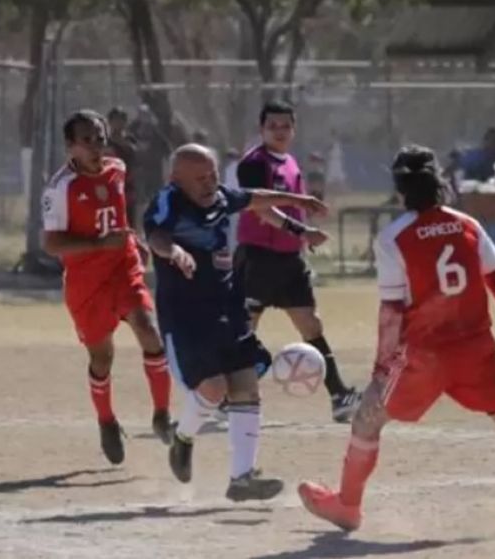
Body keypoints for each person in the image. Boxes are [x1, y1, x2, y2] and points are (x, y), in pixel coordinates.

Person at [297, 145, 495, 535]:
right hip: (476, 351)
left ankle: (348, 507)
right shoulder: (467, 224)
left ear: (400, 190)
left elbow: (392, 313)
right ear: (439, 181)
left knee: (366, 421)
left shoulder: (393, 238)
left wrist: (380, 371)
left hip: (422, 357)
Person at [145, 144, 326, 501]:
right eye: (200, 178)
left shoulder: (220, 198)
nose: (210, 183)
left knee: (245, 384)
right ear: (176, 179)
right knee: (212, 389)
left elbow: (255, 199)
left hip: (228, 309)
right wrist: (174, 251)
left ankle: (242, 478)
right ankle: (182, 438)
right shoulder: (168, 202)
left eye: (213, 174)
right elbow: (155, 236)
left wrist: (299, 204)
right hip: (186, 317)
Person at [41, 110, 171, 465]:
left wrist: (131, 238)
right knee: (102, 357)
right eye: (87, 140)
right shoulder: (60, 187)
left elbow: (117, 215)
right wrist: (100, 243)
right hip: (86, 281)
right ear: (70, 146)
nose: (97, 146)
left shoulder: (118, 168)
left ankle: (161, 414)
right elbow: (51, 245)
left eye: (100, 138)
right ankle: (107, 421)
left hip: (122, 266)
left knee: (149, 330)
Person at [234, 100, 359, 422]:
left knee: (311, 324)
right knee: (245, 329)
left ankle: (339, 396)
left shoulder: (290, 163)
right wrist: (303, 231)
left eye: (285, 126)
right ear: (261, 129)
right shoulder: (253, 163)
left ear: (294, 129)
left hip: (289, 261)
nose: (279, 131)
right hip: (258, 258)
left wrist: (302, 240)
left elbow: (293, 208)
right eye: (273, 126)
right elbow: (260, 207)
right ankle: (230, 398)